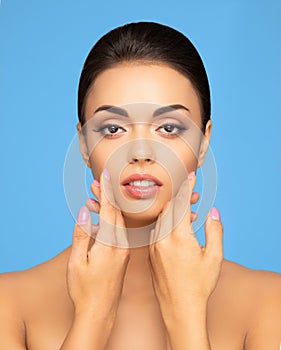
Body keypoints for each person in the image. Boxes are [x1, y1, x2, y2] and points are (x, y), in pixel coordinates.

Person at [0, 21, 280, 350]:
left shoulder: (268, 302)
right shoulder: (10, 304)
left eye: (170, 127)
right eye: (114, 129)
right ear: (84, 145)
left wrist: (186, 315)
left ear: (204, 144)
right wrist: (93, 314)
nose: (142, 153)